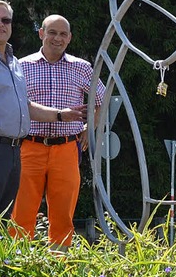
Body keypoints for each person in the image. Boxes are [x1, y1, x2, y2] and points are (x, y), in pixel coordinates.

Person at [0, 0, 84, 241]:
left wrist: (60, 115)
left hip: (12, 151)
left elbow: (24, 106)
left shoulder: (11, 62)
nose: (1, 25)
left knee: (2, 226)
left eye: (6, 20)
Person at [11, 15, 106, 251]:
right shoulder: (21, 66)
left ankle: (59, 268)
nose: (58, 38)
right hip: (29, 146)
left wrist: (90, 128)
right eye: (52, 32)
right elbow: (13, 104)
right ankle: (17, 266)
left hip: (66, 148)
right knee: (21, 212)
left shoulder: (81, 67)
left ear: (70, 38)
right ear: (41, 34)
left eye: (63, 34)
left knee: (63, 214)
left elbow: (102, 100)